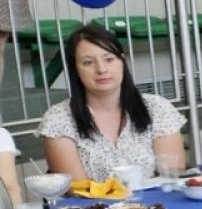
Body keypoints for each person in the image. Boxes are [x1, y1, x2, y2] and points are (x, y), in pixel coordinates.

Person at [40, 25, 185, 183]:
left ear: (122, 61)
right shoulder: (58, 119)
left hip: (157, 205)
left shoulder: (157, 108)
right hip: (93, 207)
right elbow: (76, 189)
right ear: (75, 69)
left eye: (109, 59)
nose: (101, 69)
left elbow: (172, 176)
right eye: (88, 63)